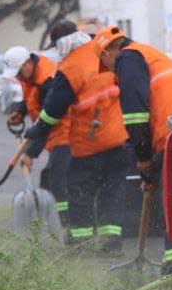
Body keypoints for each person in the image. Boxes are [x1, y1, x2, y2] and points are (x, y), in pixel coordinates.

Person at [93, 26, 172, 272]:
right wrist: (150, 167)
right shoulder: (150, 54)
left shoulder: (127, 59)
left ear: (109, 51)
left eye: (104, 62)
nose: (109, 69)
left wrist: (142, 158)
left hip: (171, 135)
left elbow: (135, 114)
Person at [24, 22, 131, 253]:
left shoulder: (71, 66)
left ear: (63, 43)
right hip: (120, 138)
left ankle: (81, 242)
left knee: (80, 189)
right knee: (112, 191)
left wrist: (37, 130)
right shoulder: (102, 54)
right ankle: (111, 241)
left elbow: (54, 109)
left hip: (90, 142)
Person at [5, 46, 71, 226]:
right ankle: (49, 223)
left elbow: (47, 121)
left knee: (58, 182)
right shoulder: (30, 75)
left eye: (18, 72)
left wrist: (30, 154)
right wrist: (20, 112)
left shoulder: (47, 81)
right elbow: (30, 99)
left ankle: (67, 225)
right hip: (54, 136)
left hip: (67, 134)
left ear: (27, 63)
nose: (17, 77)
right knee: (48, 179)